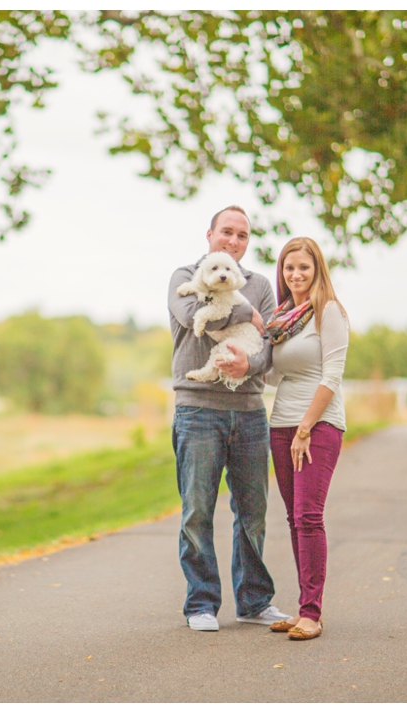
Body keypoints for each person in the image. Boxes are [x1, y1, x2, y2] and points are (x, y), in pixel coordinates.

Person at [168, 205, 291, 632]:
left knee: (253, 511)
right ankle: (201, 603)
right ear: (210, 235)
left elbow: (270, 343)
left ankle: (254, 602)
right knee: (197, 511)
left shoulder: (259, 284)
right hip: (198, 409)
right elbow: (191, 318)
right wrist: (248, 315)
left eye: (241, 236)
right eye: (227, 232)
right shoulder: (184, 277)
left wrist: (250, 366)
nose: (233, 241)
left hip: (250, 412)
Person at [263, 237, 349, 641]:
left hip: (317, 425)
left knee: (309, 517)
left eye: (303, 268)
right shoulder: (284, 316)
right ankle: (302, 611)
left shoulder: (327, 312)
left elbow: (331, 377)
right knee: (294, 521)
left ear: (318, 271)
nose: (295, 275)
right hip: (280, 424)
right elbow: (275, 375)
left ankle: (311, 614)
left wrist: (304, 430)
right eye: (288, 268)